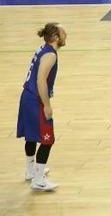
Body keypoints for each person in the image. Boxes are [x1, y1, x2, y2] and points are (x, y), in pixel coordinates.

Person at [17, 23, 66, 191]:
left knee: (31, 136)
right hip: (35, 100)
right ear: (56, 37)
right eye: (62, 31)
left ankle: (31, 171)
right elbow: (40, 81)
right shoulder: (50, 55)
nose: (65, 33)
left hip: (27, 96)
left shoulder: (43, 49)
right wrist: (46, 105)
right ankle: (38, 180)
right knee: (47, 139)